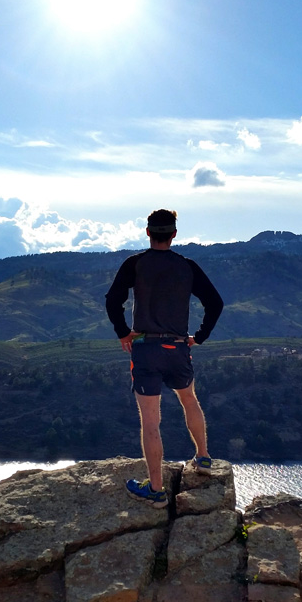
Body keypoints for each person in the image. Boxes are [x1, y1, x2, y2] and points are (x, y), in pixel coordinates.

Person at [104, 209, 224, 507]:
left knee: (151, 421)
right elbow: (215, 302)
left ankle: (156, 490)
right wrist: (200, 336)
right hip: (178, 347)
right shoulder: (187, 266)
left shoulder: (136, 264)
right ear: (173, 234)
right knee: (189, 399)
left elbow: (112, 299)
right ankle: (204, 457)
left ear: (148, 233)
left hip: (145, 348)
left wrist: (123, 332)